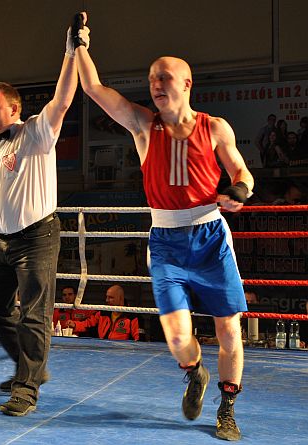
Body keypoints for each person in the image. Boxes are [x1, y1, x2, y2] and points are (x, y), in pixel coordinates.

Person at [73, 13, 254, 440]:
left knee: (229, 327)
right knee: (176, 339)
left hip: (209, 236)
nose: (156, 84)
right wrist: (78, 45)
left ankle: (227, 408)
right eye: (152, 78)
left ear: (187, 84)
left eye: (165, 77)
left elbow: (243, 172)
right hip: (166, 241)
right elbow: (93, 88)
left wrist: (240, 191)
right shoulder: (143, 125)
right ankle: (195, 372)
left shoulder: (214, 127)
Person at [0, 19, 79, 416]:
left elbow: (62, 100)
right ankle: (28, 366)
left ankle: (27, 388)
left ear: (14, 109)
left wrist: (71, 52)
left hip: (37, 237)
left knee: (34, 311)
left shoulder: (35, 132)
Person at [67, 285, 140, 341]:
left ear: (120, 298)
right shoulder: (103, 313)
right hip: (103, 349)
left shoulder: (132, 316)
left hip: (123, 352)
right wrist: (75, 324)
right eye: (107, 297)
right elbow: (88, 323)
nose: (107, 300)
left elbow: (139, 339)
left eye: (111, 297)